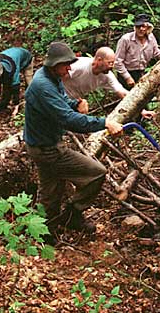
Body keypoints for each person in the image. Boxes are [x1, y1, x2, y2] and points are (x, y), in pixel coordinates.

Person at [24, 41, 123, 240]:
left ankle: (43, 231)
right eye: (66, 64)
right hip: (46, 148)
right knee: (96, 173)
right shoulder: (43, 85)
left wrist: (76, 103)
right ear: (54, 64)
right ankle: (72, 215)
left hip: (44, 144)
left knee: (51, 189)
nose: (69, 67)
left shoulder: (53, 77)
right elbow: (68, 120)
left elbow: (62, 103)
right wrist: (104, 123)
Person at [115, 13, 160, 90]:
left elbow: (156, 52)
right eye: (138, 26)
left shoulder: (151, 38)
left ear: (148, 27)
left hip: (141, 73)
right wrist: (127, 77)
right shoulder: (126, 39)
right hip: (126, 73)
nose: (141, 29)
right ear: (135, 27)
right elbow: (117, 61)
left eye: (143, 26)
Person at [62, 46, 128, 102]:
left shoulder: (107, 76)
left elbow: (121, 91)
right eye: (109, 63)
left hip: (74, 101)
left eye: (113, 63)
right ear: (99, 60)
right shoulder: (80, 65)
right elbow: (59, 76)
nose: (112, 66)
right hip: (60, 97)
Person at [0, 47, 34, 114]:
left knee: (29, 84)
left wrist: (16, 106)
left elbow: (16, 87)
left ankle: (32, 102)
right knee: (7, 86)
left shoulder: (13, 68)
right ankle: (3, 106)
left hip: (27, 59)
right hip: (12, 57)